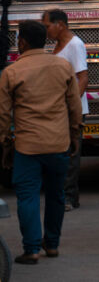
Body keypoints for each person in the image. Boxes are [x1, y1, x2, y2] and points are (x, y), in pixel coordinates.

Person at [0, 21, 81, 264]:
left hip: (28, 146)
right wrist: (75, 134)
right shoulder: (63, 66)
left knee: (28, 197)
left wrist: (4, 142)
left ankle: (32, 248)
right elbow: (74, 105)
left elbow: (3, 114)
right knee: (56, 195)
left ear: (22, 42)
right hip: (58, 143)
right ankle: (52, 244)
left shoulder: (11, 72)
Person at [42, 9, 87, 211]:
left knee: (70, 155)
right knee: (61, 153)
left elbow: (83, 78)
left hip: (70, 109)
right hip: (59, 108)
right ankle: (65, 196)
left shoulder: (75, 45)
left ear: (60, 24)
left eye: (47, 26)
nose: (46, 30)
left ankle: (69, 198)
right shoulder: (57, 45)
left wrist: (71, 106)